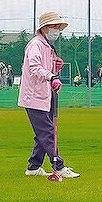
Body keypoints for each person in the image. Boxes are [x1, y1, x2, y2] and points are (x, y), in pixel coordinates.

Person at [18, 11, 79, 178]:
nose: (57, 30)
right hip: (34, 96)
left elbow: (45, 68)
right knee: (47, 132)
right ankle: (58, 166)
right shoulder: (35, 45)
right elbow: (34, 67)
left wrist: (55, 67)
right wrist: (52, 76)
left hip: (45, 95)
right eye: (55, 26)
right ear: (45, 28)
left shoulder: (48, 46)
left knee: (43, 134)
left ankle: (33, 167)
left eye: (59, 27)